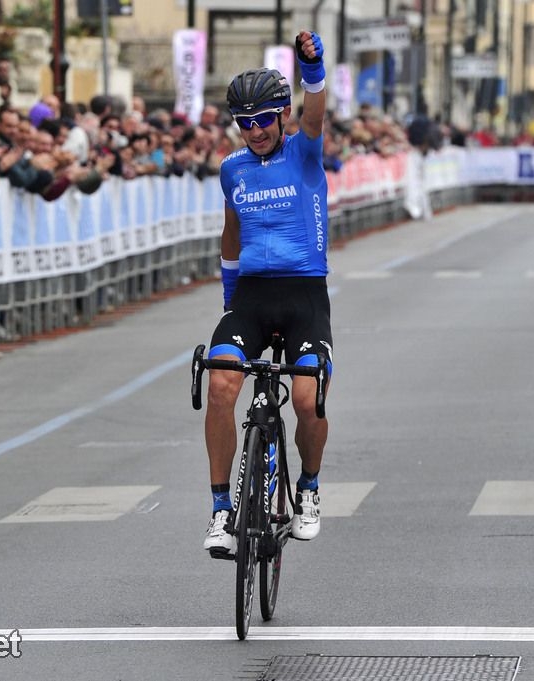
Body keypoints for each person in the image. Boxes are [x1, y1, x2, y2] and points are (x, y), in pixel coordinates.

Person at [202, 30, 332, 557]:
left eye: (263, 120)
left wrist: (313, 68)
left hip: (304, 294)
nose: (254, 131)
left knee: (305, 397)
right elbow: (231, 234)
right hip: (251, 296)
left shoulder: (304, 152)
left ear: (282, 116)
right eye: (244, 122)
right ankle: (220, 509)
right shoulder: (231, 169)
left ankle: (308, 489)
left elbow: (316, 111)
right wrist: (230, 298)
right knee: (219, 382)